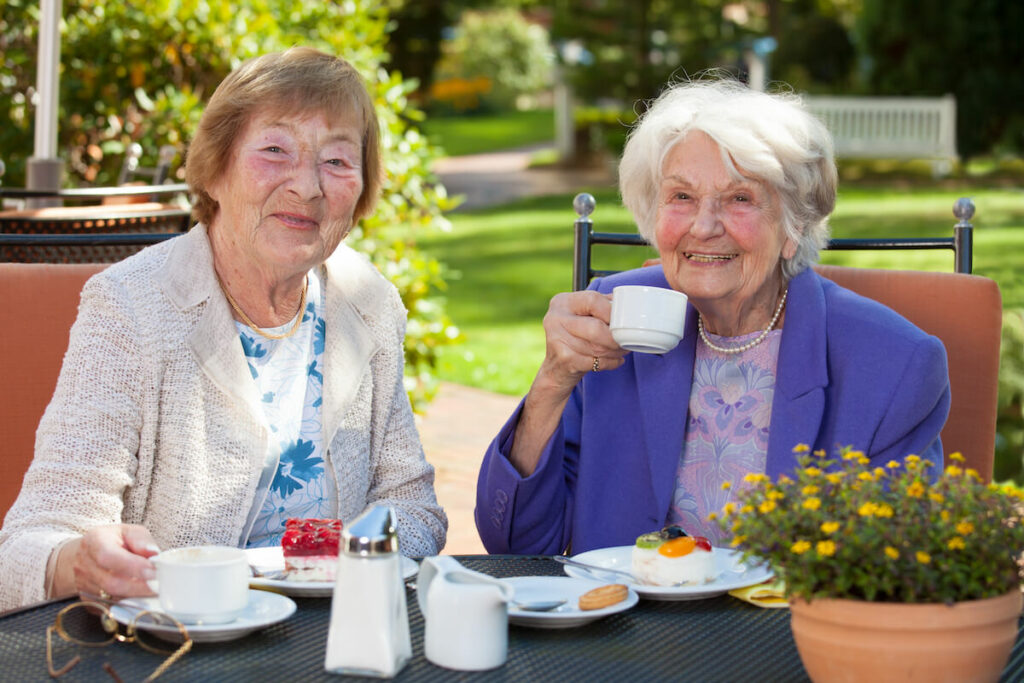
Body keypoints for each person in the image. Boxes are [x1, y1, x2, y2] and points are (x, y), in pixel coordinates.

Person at [0, 47, 446, 611]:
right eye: (275, 150)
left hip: (330, 640)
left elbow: (416, 511)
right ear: (215, 169)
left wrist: (334, 556)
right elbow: (27, 545)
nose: (307, 186)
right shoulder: (131, 307)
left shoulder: (368, 303)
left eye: (336, 161)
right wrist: (79, 562)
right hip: (179, 641)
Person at [475, 78, 950, 556]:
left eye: (739, 198)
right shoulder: (613, 320)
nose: (703, 227)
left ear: (795, 225)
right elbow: (516, 546)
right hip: (623, 623)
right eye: (681, 197)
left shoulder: (893, 364)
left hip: (791, 628)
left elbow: (896, 571)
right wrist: (554, 380)